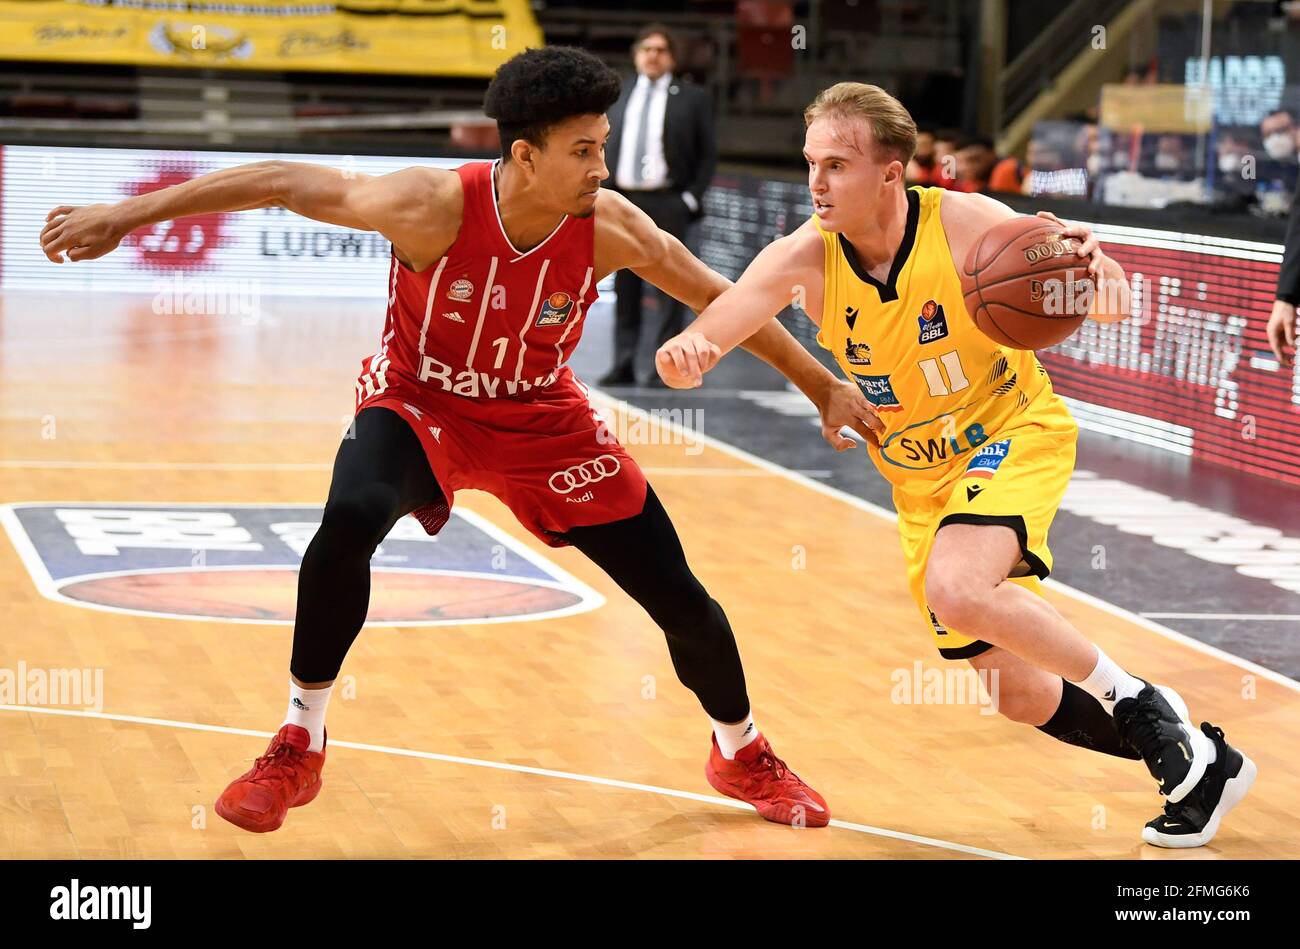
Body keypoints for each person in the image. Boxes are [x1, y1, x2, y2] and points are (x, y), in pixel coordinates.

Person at [41, 47, 881, 834]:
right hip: (421, 404)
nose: (601, 168)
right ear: (523, 156)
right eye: (584, 150)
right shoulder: (432, 204)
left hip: (544, 421)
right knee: (352, 514)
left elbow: (718, 295)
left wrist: (823, 385)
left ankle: (740, 751)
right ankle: (301, 739)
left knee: (677, 592)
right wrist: (127, 214)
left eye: (603, 148)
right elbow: (278, 180)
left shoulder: (612, 226)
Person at [656, 81, 1257, 849]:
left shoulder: (968, 223)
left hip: (1014, 428)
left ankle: (1139, 698)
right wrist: (691, 351)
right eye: (810, 162)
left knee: (959, 585)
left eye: (837, 164)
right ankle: (1204, 765)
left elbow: (1110, 302)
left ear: (892, 171)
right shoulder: (803, 255)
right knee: (1019, 693)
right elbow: (724, 322)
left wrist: (1098, 275)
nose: (816, 182)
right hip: (920, 484)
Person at [599, 24, 716, 387]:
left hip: (667, 200)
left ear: (672, 58)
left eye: (661, 50)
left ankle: (664, 370)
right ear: (636, 55)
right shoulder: (618, 96)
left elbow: (706, 155)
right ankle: (623, 363)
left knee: (672, 287)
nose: (653, 55)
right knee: (626, 287)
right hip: (623, 199)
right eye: (646, 48)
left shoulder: (692, 97)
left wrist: (688, 199)